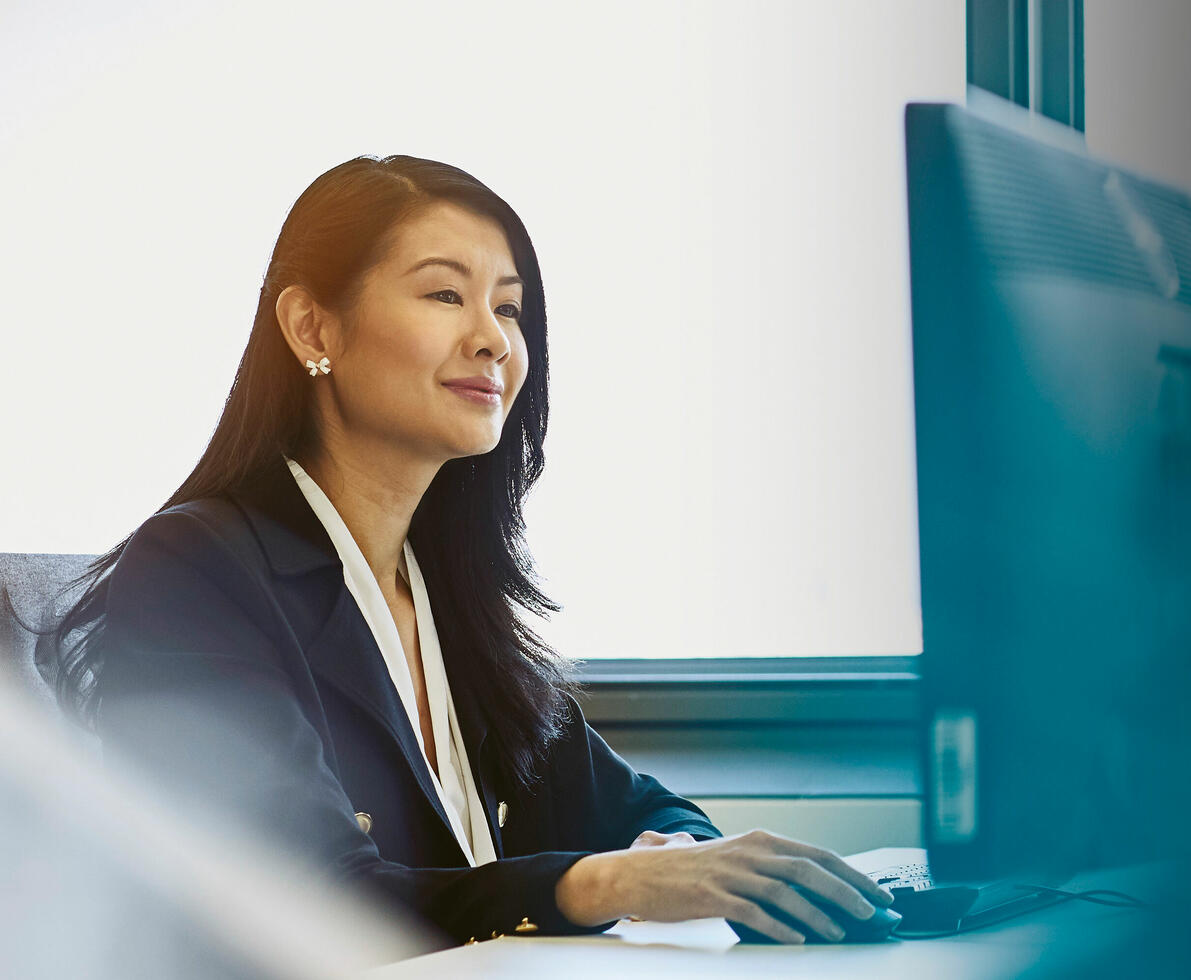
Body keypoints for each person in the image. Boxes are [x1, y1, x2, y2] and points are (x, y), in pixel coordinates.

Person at [51, 154, 895, 954]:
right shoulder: (192, 574)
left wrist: (687, 860)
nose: (492, 338)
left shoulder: (449, 596)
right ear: (313, 325)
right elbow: (303, 897)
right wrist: (600, 884)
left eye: (511, 308)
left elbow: (648, 813)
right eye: (446, 295)